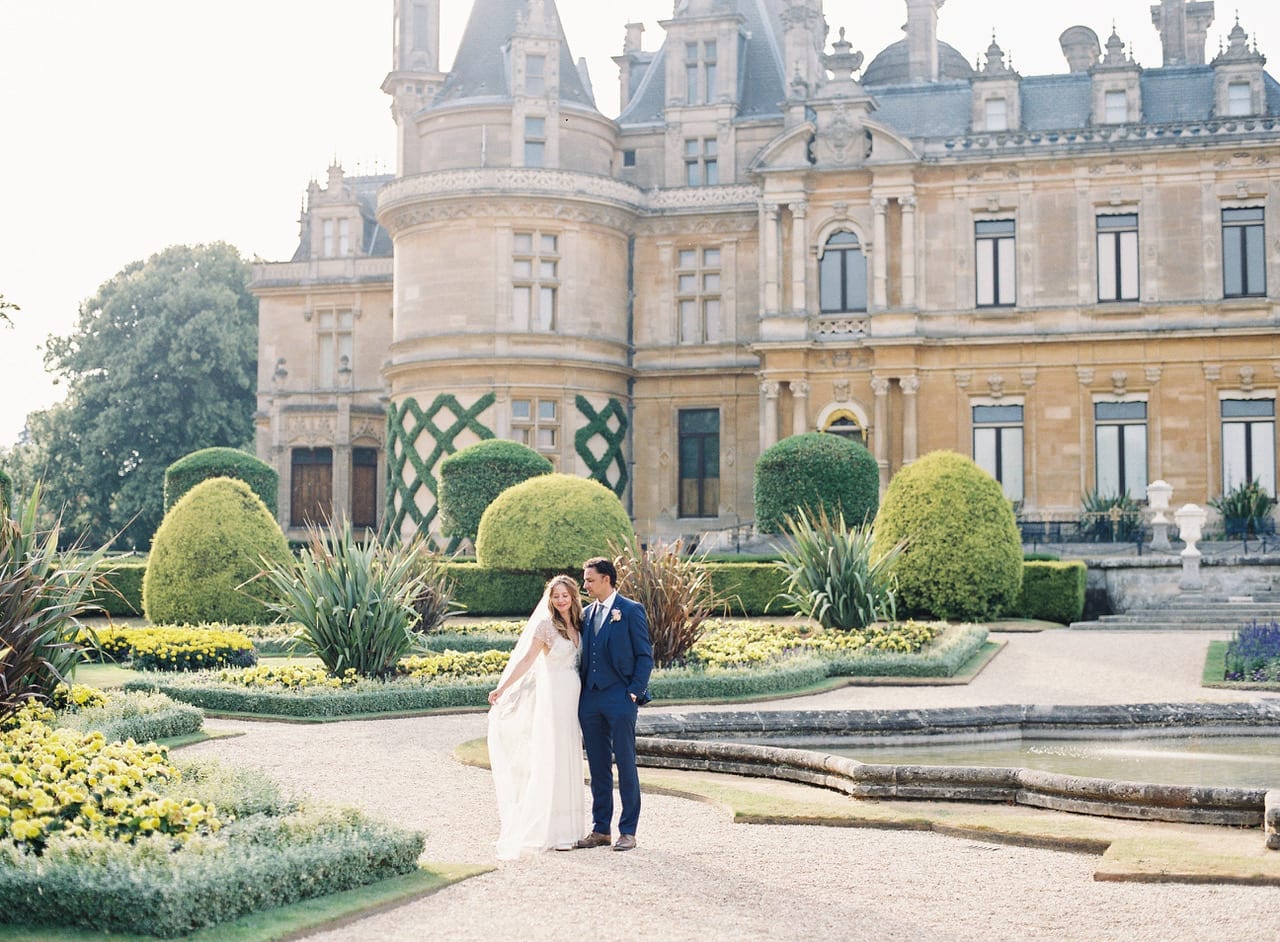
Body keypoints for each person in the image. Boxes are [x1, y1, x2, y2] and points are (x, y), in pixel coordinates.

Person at [486, 574, 585, 859]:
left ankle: (572, 829)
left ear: (573, 597)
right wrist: (503, 687)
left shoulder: (579, 624)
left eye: (565, 595)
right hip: (553, 697)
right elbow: (527, 660)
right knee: (553, 757)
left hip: (573, 697)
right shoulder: (545, 627)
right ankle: (552, 831)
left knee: (570, 755)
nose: (561, 600)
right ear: (550, 600)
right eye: (556, 596)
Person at [575, 555, 654, 852]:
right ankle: (600, 829)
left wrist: (634, 692)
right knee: (597, 768)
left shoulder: (631, 611)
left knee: (625, 763)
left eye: (589, 579)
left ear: (606, 579)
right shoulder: (584, 614)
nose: (585, 584)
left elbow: (645, 656)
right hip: (590, 700)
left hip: (620, 698)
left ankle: (628, 831)